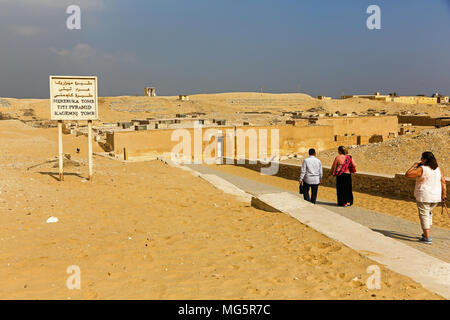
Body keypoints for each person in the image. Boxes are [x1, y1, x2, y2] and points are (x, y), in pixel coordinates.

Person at [405, 152, 447, 245]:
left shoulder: (422, 169)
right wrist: (444, 195)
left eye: (422, 158)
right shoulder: (438, 169)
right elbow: (443, 182)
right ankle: (426, 234)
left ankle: (427, 238)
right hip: (435, 197)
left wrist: (414, 166)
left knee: (424, 215)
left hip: (424, 196)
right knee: (429, 214)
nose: (420, 160)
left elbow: (408, 174)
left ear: (425, 160)